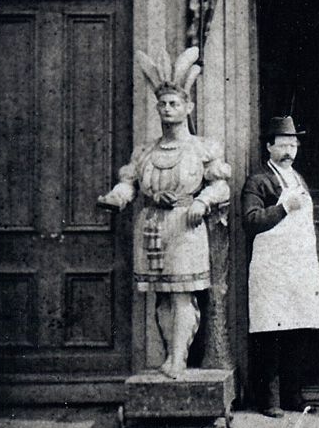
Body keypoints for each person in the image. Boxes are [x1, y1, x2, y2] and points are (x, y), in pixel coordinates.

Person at [99, 47, 231, 379]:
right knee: (161, 295)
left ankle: (178, 358)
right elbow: (129, 183)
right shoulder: (145, 151)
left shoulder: (201, 148)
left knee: (183, 294)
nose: (168, 109)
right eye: (163, 104)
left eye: (174, 103)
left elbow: (221, 186)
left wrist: (202, 202)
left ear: (188, 107)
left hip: (186, 225)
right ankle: (169, 353)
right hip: (153, 225)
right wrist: (117, 197)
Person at [241, 116, 319, 417]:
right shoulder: (258, 181)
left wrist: (318, 260)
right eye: (283, 145)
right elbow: (251, 220)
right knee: (270, 334)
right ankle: (269, 400)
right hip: (272, 268)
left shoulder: (298, 179)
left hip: (299, 266)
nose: (289, 151)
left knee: (297, 332)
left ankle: (293, 396)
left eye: (293, 145)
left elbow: (310, 224)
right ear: (269, 146)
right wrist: (283, 208)